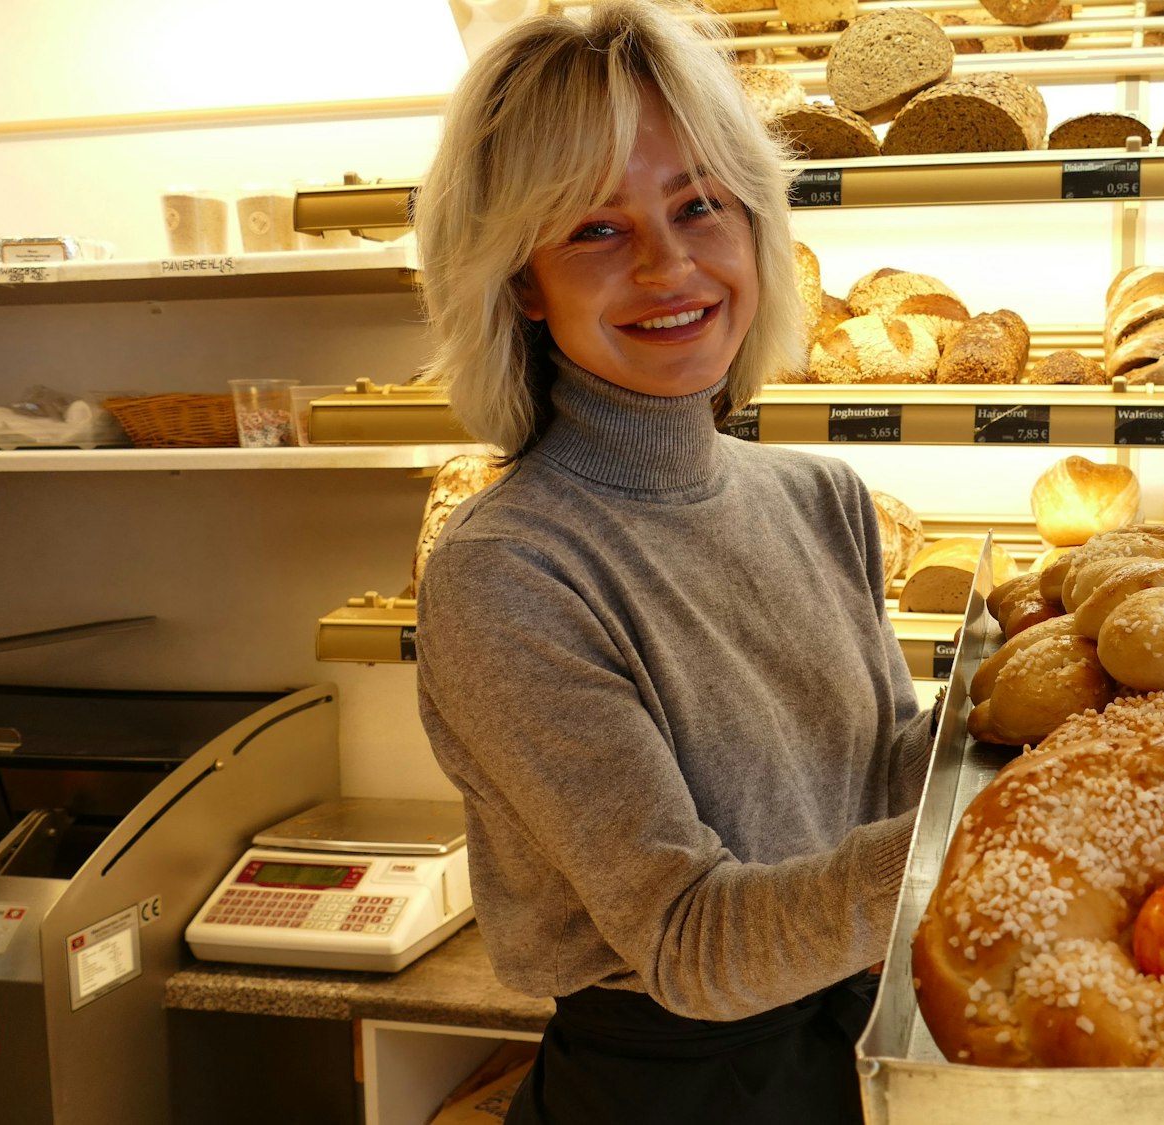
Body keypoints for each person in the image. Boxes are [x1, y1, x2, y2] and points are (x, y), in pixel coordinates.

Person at [410, 3, 935, 1122]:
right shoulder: (509, 571)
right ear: (516, 280)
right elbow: (693, 946)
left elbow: (885, 775)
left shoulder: (817, 497)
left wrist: (1037, 724)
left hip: (857, 1047)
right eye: (594, 230)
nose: (668, 263)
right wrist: (994, 832)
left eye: (701, 206)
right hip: (669, 1092)